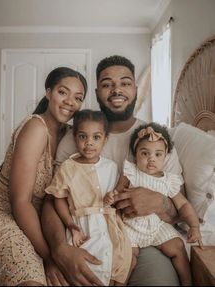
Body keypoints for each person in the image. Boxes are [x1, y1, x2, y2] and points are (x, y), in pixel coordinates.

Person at [41, 55, 184, 286]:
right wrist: (59, 249)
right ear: (97, 92)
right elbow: (51, 200)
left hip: (143, 241)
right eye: (107, 84)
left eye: (125, 83)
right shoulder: (74, 139)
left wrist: (160, 203)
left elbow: (181, 209)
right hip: (84, 238)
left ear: (135, 89)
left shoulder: (155, 140)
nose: (117, 90)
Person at [0, 67, 87, 286]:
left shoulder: (68, 134)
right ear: (48, 92)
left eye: (78, 98)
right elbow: (20, 201)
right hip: (3, 213)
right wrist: (50, 257)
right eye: (62, 92)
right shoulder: (36, 128)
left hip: (39, 218)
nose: (70, 102)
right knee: (32, 280)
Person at [104, 122, 203, 286]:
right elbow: (118, 192)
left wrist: (194, 227)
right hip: (131, 226)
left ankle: (188, 283)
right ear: (135, 155)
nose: (151, 159)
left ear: (165, 157)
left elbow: (183, 205)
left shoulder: (169, 181)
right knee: (128, 258)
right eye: (145, 153)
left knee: (178, 247)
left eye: (158, 154)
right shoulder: (131, 173)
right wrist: (111, 197)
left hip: (157, 226)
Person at [45, 109, 132, 286]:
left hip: (110, 226)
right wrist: (70, 224)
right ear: (75, 137)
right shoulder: (68, 168)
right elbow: (58, 198)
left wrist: (112, 197)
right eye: (83, 137)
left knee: (119, 264)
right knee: (87, 269)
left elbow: (116, 195)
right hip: (83, 227)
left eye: (96, 137)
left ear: (105, 139)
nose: (89, 143)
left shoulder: (111, 167)